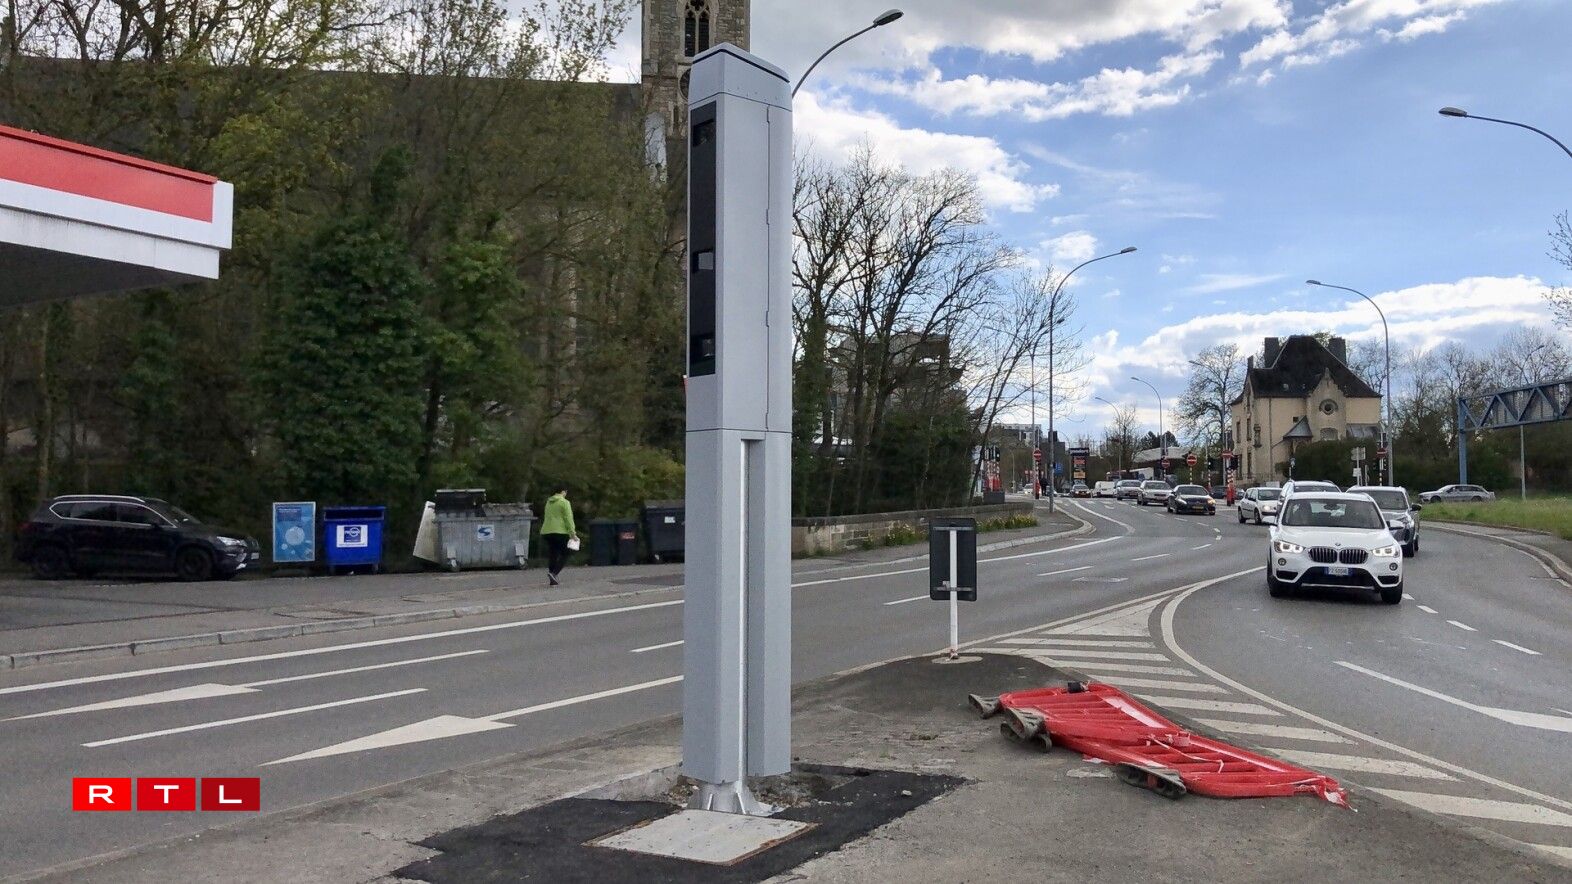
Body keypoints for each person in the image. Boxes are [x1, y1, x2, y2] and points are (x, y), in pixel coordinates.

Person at [540, 487, 578, 586]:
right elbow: (568, 518)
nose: (566, 494)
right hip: (560, 531)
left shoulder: (548, 502)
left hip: (547, 531)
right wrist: (572, 533)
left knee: (553, 553)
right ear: (563, 491)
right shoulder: (564, 502)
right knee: (566, 553)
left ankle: (552, 577)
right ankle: (554, 574)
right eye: (566, 492)